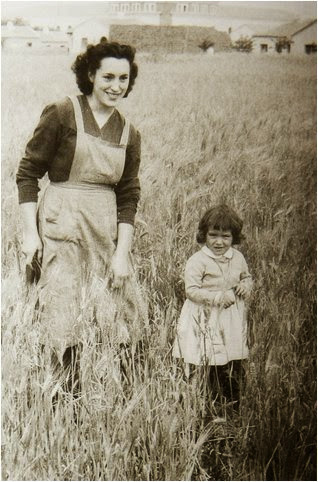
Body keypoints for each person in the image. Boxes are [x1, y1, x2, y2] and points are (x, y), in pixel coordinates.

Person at [16, 41, 143, 393]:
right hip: (61, 226)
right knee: (61, 315)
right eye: (108, 77)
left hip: (104, 232)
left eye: (123, 78)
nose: (116, 86)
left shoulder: (130, 134)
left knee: (121, 316)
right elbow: (27, 174)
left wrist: (122, 253)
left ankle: (116, 401)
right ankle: (63, 402)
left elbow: (129, 194)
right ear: (90, 75)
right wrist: (31, 234)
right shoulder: (61, 113)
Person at [173, 204, 253, 414]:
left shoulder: (237, 258)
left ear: (234, 237)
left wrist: (245, 285)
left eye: (225, 236)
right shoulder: (198, 261)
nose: (219, 241)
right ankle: (205, 402)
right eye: (213, 235)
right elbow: (191, 291)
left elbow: (246, 276)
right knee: (208, 359)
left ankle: (232, 403)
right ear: (204, 235)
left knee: (232, 358)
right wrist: (217, 297)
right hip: (205, 316)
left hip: (231, 318)